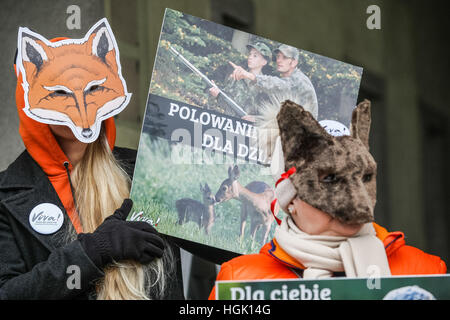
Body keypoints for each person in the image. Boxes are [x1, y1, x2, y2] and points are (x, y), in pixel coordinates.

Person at [0, 20, 184, 300]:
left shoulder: (147, 172)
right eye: (61, 92)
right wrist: (94, 250)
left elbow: (227, 246)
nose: (80, 107)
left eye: (91, 89)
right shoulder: (5, 196)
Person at [209, 100, 446, 300]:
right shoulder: (242, 281)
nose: (352, 198)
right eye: (330, 180)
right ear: (290, 200)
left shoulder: (425, 272)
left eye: (360, 178)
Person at [229, 44, 318, 120]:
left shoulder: (299, 80)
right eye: (278, 57)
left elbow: (279, 85)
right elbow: (278, 114)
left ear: (294, 62)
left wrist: (249, 75)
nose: (279, 60)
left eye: (285, 57)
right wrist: (258, 119)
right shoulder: (285, 82)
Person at [209, 42, 272, 121]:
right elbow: (224, 104)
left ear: (264, 62)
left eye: (255, 55)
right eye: (250, 54)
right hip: (227, 123)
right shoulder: (236, 76)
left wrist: (256, 119)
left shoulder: (266, 86)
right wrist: (217, 95)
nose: (250, 57)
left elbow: (270, 117)